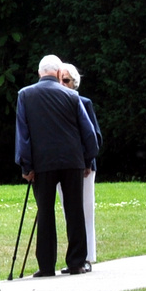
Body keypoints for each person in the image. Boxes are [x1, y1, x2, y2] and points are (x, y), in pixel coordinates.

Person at [14, 54, 99, 276]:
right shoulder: (72, 96)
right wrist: (88, 158)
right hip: (72, 161)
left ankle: (46, 265)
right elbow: (88, 132)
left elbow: (23, 136)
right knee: (74, 211)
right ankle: (77, 262)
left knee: (45, 211)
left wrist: (26, 166)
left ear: (39, 72)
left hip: (43, 163)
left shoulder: (25, 95)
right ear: (60, 73)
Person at [58, 63, 101, 266]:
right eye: (59, 80)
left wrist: (87, 161)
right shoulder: (53, 105)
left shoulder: (84, 102)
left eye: (66, 80)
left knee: (85, 210)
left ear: (74, 83)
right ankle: (76, 254)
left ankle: (87, 255)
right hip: (62, 165)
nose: (62, 84)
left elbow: (93, 136)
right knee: (69, 211)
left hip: (83, 167)